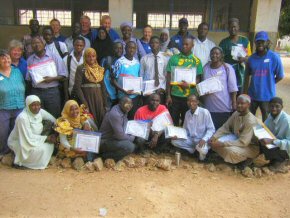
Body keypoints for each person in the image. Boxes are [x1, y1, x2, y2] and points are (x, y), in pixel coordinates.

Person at [209, 94, 259, 169]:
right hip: (237, 139)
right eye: (238, 103)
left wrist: (223, 144)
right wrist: (214, 136)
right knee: (214, 142)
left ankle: (246, 159)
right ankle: (231, 159)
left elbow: (244, 142)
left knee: (229, 150)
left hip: (250, 146)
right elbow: (225, 127)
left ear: (248, 104)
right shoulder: (236, 113)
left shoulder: (250, 121)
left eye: (242, 103)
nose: (239, 105)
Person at [244, 31, 284, 121]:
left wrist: (270, 83)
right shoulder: (251, 59)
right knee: (249, 120)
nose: (260, 44)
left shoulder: (274, 57)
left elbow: (280, 75)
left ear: (267, 42)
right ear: (255, 43)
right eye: (258, 42)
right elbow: (248, 75)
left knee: (267, 122)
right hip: (253, 95)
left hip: (267, 96)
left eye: (262, 41)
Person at [8, 95, 56, 169]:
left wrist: (60, 129)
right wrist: (46, 138)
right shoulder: (22, 118)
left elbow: (54, 120)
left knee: (49, 146)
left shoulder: (40, 112)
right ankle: (23, 163)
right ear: (28, 106)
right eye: (33, 105)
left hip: (35, 139)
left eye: (38, 104)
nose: (36, 107)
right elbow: (27, 137)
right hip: (21, 141)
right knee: (41, 150)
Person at [26, 36, 68, 118]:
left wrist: (52, 78)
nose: (36, 45)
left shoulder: (54, 56)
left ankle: (54, 131)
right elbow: (28, 79)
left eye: (38, 43)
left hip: (52, 92)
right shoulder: (30, 60)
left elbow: (64, 75)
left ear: (43, 44)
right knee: (38, 117)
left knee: (54, 116)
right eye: (33, 43)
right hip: (36, 92)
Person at [166, 37, 203, 126]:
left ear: (192, 46)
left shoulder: (197, 61)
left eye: (187, 44)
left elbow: (198, 78)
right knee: (173, 121)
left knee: (186, 122)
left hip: (189, 97)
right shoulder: (173, 58)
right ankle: (173, 139)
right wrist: (168, 95)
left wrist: (189, 85)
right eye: (183, 44)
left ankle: (184, 139)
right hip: (175, 96)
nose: (184, 46)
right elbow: (168, 78)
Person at [202, 47, 238, 129]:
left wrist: (234, 103)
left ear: (221, 55)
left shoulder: (227, 68)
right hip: (209, 107)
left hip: (224, 107)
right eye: (212, 53)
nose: (214, 55)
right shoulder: (206, 67)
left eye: (217, 53)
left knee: (221, 131)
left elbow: (232, 87)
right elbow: (202, 85)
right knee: (210, 131)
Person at [172, 94, 215, 161]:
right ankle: (193, 151)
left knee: (202, 149)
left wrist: (204, 139)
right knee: (174, 141)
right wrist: (178, 136)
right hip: (191, 139)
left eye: (194, 101)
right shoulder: (187, 113)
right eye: (189, 101)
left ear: (197, 102)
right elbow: (185, 130)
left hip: (201, 140)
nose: (191, 103)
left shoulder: (204, 112)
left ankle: (202, 159)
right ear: (187, 102)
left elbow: (211, 129)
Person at [72, 48, 107, 128]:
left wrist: (105, 103)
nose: (91, 58)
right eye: (88, 56)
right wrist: (84, 103)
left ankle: (99, 138)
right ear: (85, 57)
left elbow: (103, 87)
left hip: (98, 98)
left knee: (100, 116)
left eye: (93, 56)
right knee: (89, 117)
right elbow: (77, 87)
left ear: (96, 57)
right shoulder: (81, 68)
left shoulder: (99, 69)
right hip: (87, 97)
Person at [0, 50, 25, 155]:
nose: (6, 60)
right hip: (3, 108)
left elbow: (23, 84)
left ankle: (15, 153)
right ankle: (4, 153)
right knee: (3, 132)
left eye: (8, 58)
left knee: (16, 131)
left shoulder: (17, 71)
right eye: (3, 58)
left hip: (19, 106)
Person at [219, 18, 251, 94]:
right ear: (228, 29)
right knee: (228, 93)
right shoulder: (223, 43)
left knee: (239, 93)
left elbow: (250, 57)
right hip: (228, 73)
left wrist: (244, 59)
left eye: (235, 27)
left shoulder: (245, 41)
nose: (233, 29)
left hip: (241, 73)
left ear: (238, 27)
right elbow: (219, 59)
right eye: (231, 27)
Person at [99, 96, 136, 161]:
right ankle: (104, 157)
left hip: (113, 139)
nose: (129, 106)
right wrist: (132, 136)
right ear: (120, 103)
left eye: (131, 104)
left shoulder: (123, 110)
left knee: (134, 142)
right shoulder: (115, 114)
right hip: (105, 141)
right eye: (127, 103)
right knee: (130, 146)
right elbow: (120, 136)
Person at [259, 97, 289, 173]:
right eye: (272, 106)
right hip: (276, 144)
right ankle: (274, 161)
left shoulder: (287, 121)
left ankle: (282, 161)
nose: (274, 109)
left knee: (269, 146)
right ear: (268, 106)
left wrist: (273, 142)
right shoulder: (270, 116)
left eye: (277, 106)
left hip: (286, 149)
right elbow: (264, 128)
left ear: (282, 107)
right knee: (260, 142)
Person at [112, 41, 141, 120]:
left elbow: (138, 79)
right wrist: (123, 90)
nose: (131, 50)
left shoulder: (137, 62)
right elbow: (113, 80)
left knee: (132, 118)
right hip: (123, 97)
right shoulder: (119, 62)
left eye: (133, 48)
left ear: (136, 50)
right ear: (125, 49)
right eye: (129, 48)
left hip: (134, 97)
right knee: (122, 118)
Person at [140, 36, 168, 104]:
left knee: (159, 112)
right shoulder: (144, 59)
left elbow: (166, 76)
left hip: (160, 90)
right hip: (148, 91)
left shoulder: (165, 58)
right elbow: (141, 76)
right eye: (152, 43)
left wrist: (163, 89)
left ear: (160, 44)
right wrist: (143, 90)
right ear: (149, 44)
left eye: (156, 43)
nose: (154, 44)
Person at [101, 41, 123, 107]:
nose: (119, 50)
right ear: (112, 49)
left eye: (120, 48)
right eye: (116, 48)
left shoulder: (124, 61)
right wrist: (104, 92)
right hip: (109, 95)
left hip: (121, 95)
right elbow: (100, 77)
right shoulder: (106, 60)